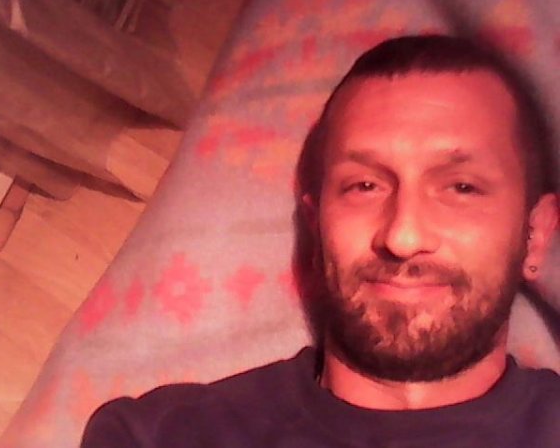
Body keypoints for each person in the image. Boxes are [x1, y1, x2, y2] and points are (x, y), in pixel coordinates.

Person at [81, 35, 560, 447]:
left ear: (535, 234)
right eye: (364, 186)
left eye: (462, 188)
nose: (403, 236)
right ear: (316, 226)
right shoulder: (162, 436)